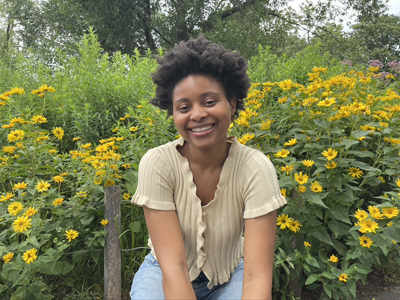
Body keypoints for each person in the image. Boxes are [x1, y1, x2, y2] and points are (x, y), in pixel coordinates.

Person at [130, 36, 286, 300]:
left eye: (210, 101)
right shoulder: (157, 164)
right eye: (184, 107)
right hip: (163, 272)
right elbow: (174, 268)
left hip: (232, 273)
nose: (197, 114)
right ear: (173, 113)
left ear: (233, 104)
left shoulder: (256, 168)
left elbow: (256, 275)